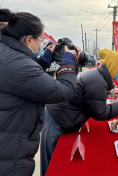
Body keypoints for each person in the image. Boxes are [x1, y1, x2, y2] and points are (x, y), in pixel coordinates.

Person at [0, 11, 79, 176]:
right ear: (28, 39)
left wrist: (43, 60)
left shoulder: (7, 53)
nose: (42, 44)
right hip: (10, 151)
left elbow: (26, 79)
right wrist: (68, 64)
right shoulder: (17, 63)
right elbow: (62, 92)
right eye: (41, 40)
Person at [40, 48, 118, 176]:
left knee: (54, 160)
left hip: (58, 115)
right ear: (112, 67)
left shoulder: (98, 76)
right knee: (51, 164)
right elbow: (99, 112)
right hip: (56, 119)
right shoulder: (98, 81)